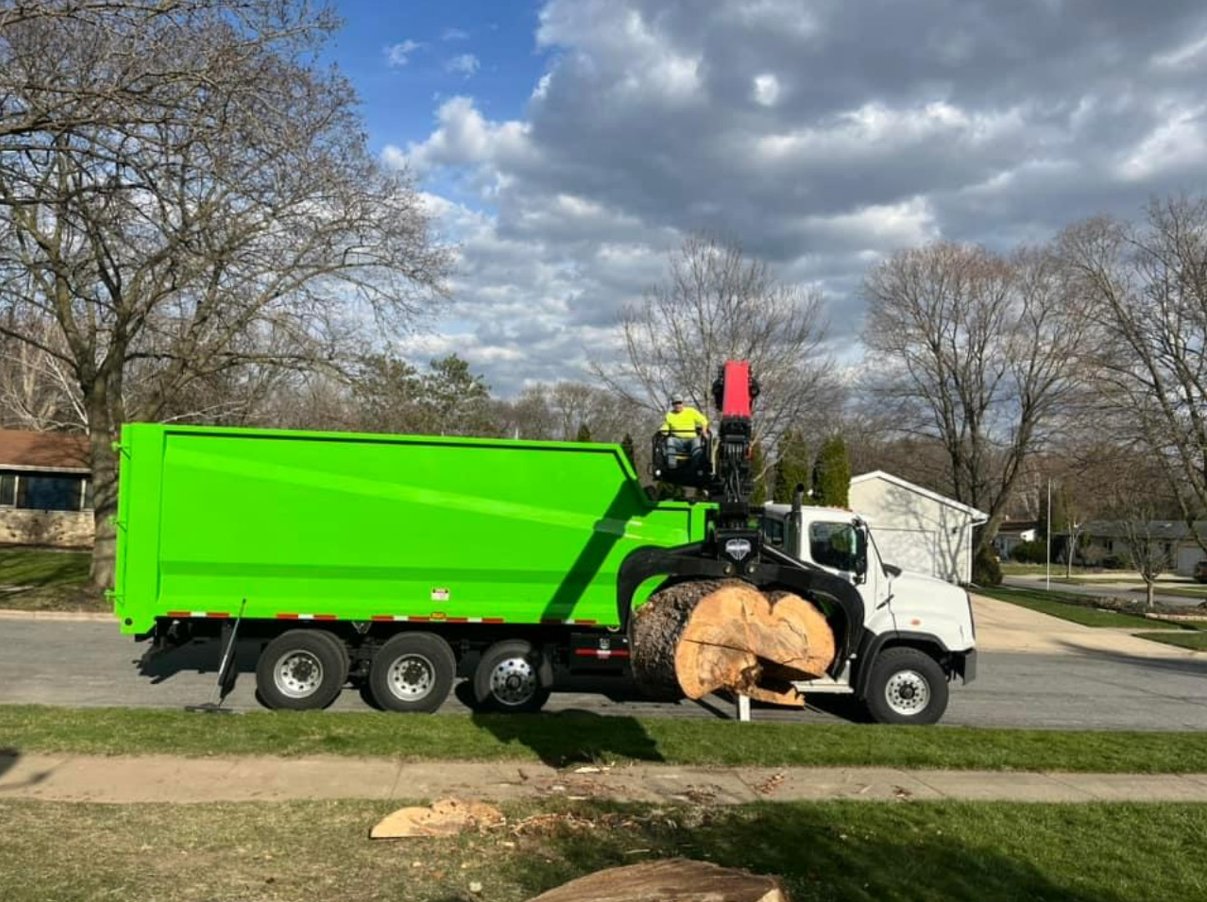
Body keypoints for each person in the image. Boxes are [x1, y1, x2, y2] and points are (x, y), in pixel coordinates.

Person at [661, 395, 709, 468]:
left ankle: (695, 466)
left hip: (691, 440)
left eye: (679, 403)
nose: (678, 405)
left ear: (683, 403)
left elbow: (704, 421)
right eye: (675, 403)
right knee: (670, 440)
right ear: (673, 405)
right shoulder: (669, 415)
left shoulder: (691, 411)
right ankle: (672, 465)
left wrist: (704, 431)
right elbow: (665, 426)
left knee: (697, 441)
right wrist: (664, 431)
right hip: (678, 440)